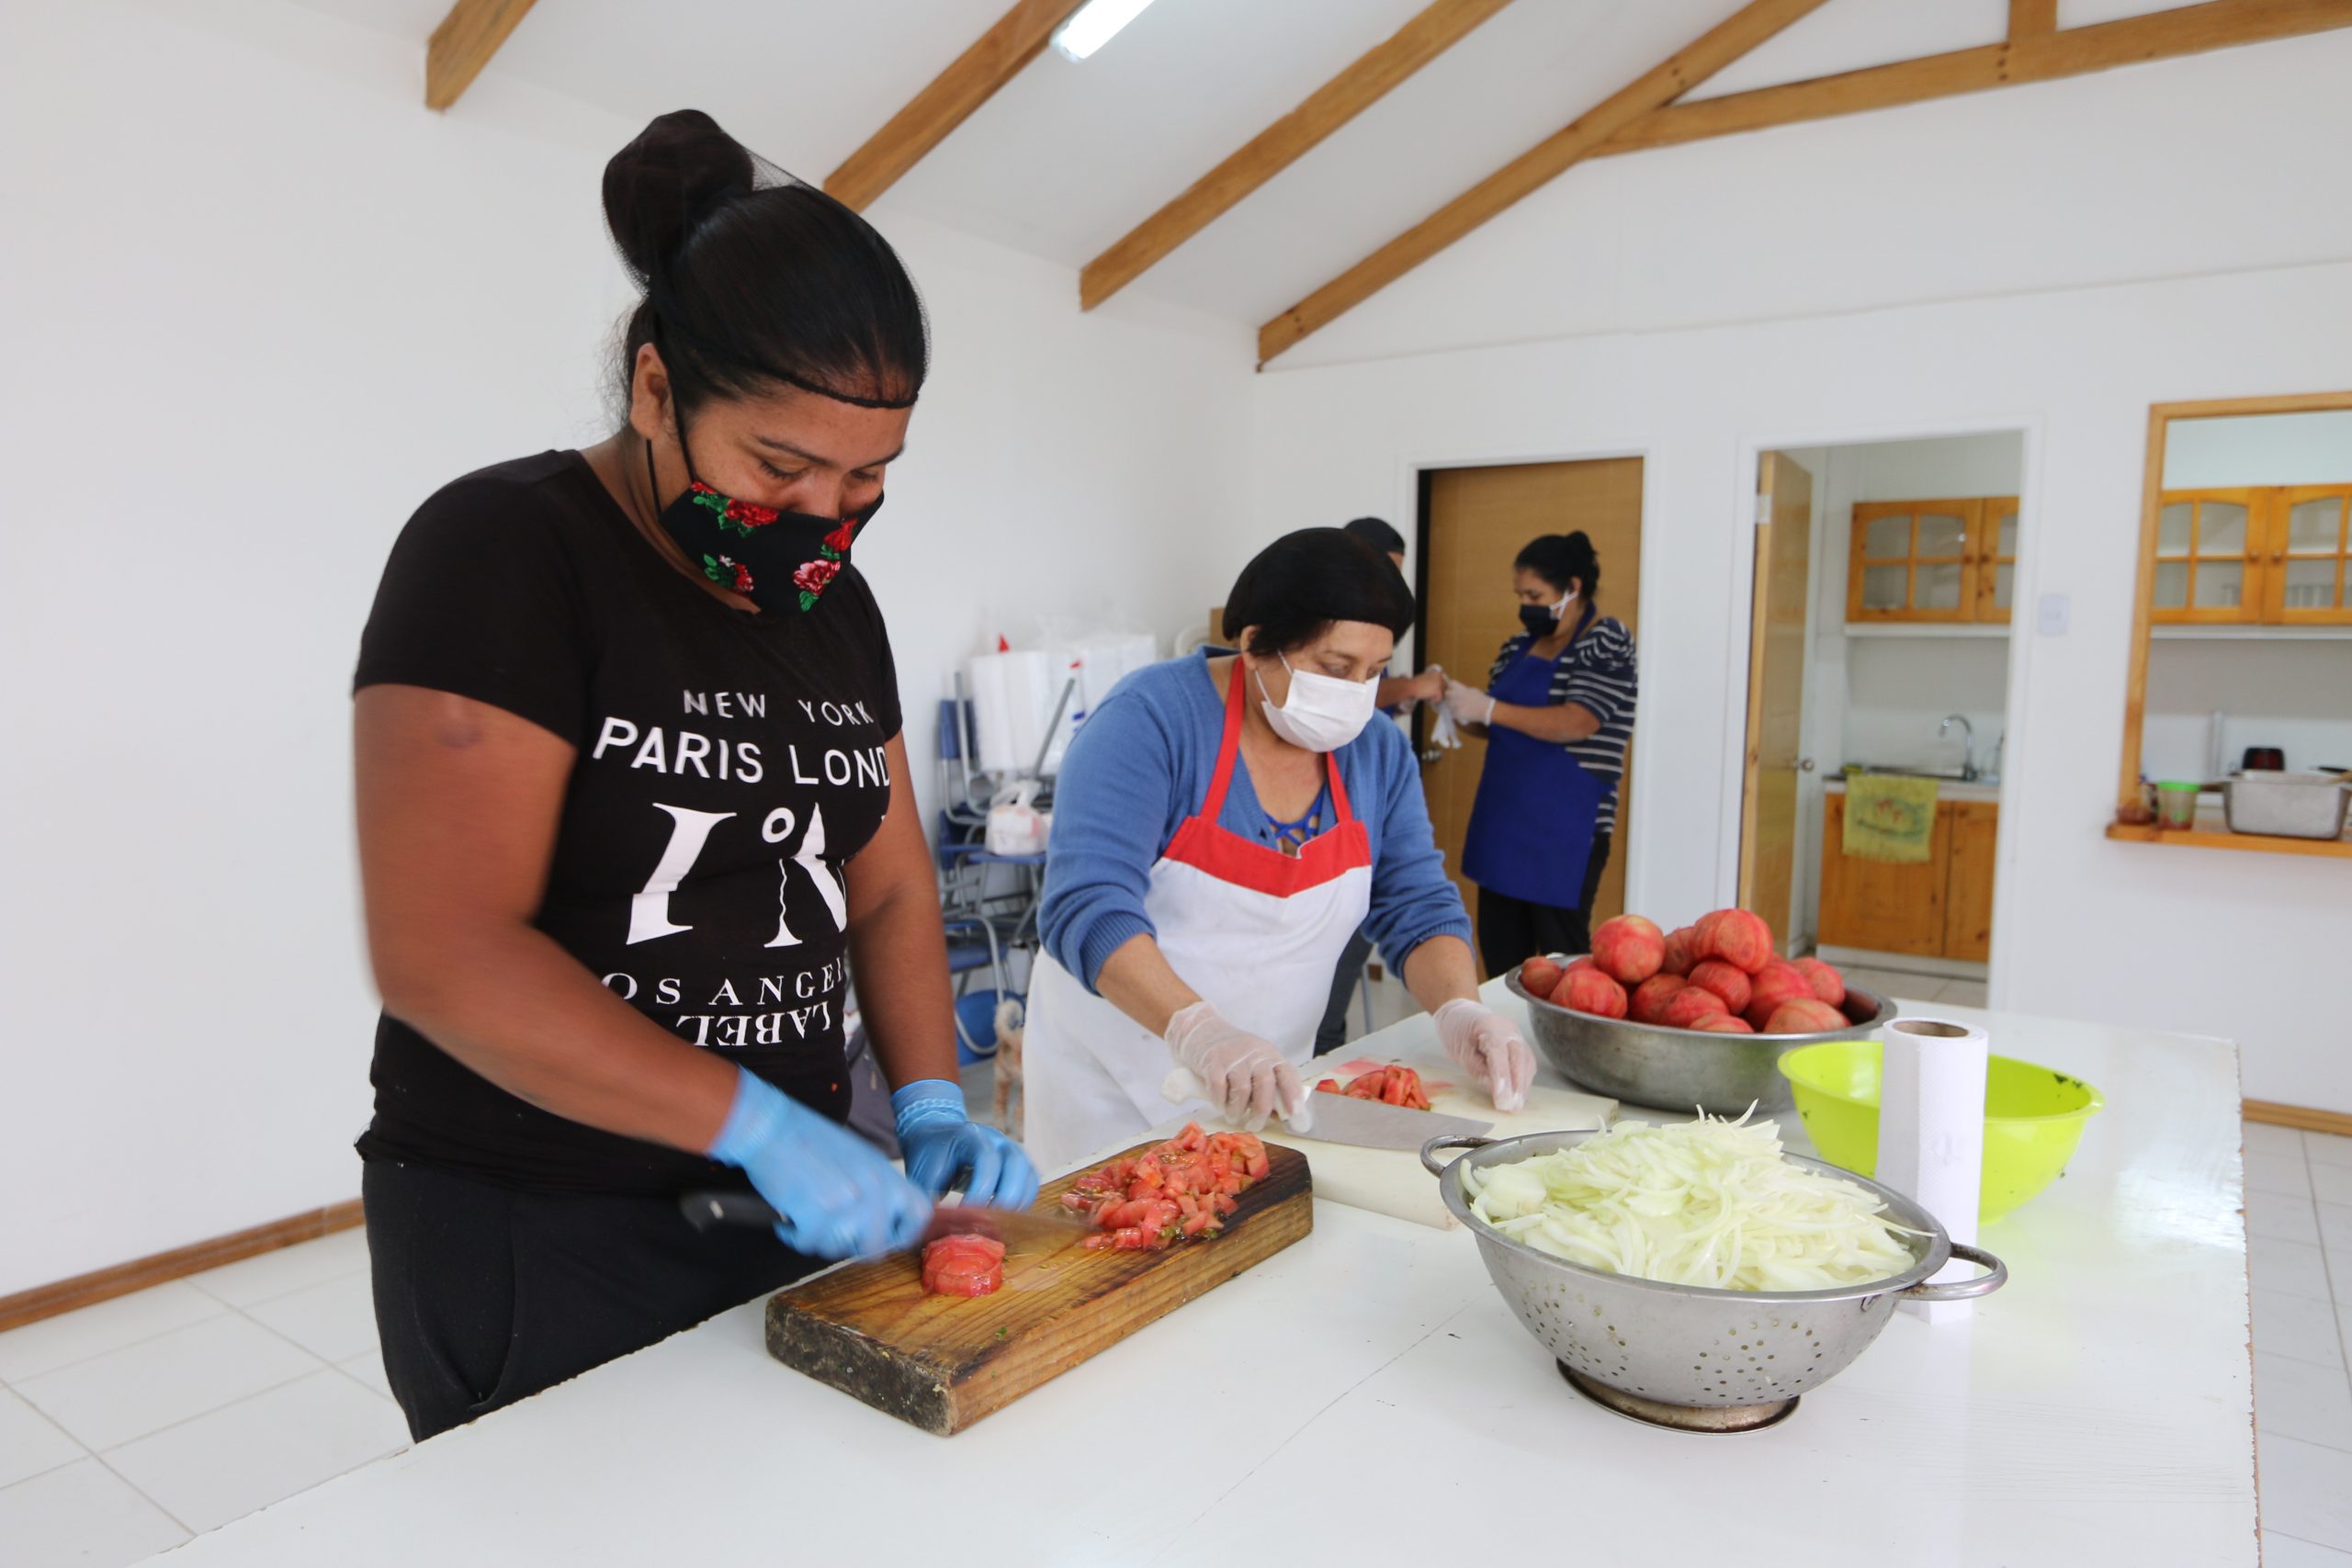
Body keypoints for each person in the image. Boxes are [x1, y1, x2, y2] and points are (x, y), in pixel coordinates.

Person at [349, 111, 1036, 1441]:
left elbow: (890, 884)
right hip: (546, 1219)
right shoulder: (505, 552)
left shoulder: (834, 605)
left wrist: (927, 1097)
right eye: (780, 466)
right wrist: (756, 1124)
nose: (822, 518)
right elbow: (444, 953)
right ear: (657, 389)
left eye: (867, 478)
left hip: (787, 1209)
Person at [1023, 529, 1537, 1168]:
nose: (1358, 692)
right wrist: (1200, 1031)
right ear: (1254, 643)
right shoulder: (1149, 721)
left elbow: (1416, 904)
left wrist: (1461, 1009)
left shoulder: (1377, 752)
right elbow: (1087, 904)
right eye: (1336, 668)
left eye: (1375, 671)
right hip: (1110, 1089)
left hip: (1268, 1090)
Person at [1437, 531, 1638, 976]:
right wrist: (1455, 705)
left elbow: (1578, 721)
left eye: (1535, 596)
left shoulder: (1605, 640)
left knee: (1563, 963)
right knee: (1501, 959)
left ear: (1573, 588)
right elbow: (1495, 723)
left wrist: (1489, 708)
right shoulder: (1517, 646)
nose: (1526, 605)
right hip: (1503, 824)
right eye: (1520, 596)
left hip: (1565, 830)